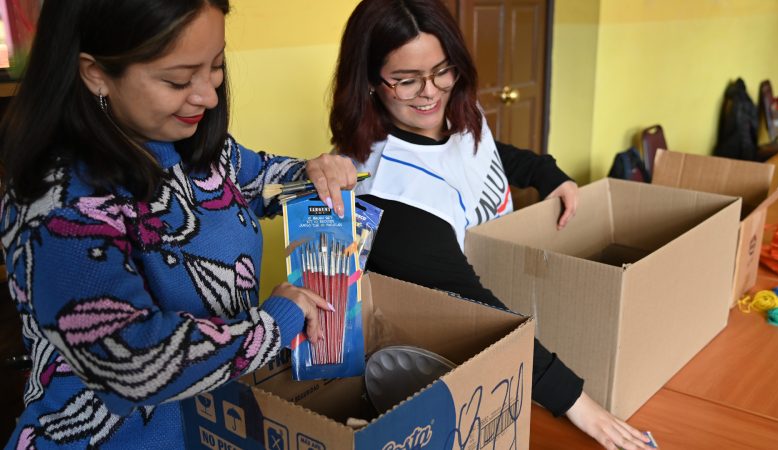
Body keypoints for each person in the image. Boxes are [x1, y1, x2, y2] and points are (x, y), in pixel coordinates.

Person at [0, 1, 356, 448]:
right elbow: (135, 359)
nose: (207, 96)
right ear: (95, 72)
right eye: (178, 79)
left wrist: (313, 175)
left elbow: (259, 179)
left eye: (217, 65)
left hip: (211, 427)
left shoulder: (194, 144)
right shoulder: (57, 202)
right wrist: (273, 323)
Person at [329, 1, 651, 449]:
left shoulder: (454, 113)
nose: (429, 92)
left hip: (514, 309)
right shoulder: (388, 194)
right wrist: (583, 407)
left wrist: (546, 174)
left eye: (443, 70)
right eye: (405, 80)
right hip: (452, 363)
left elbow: (488, 153)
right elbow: (483, 317)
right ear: (368, 82)